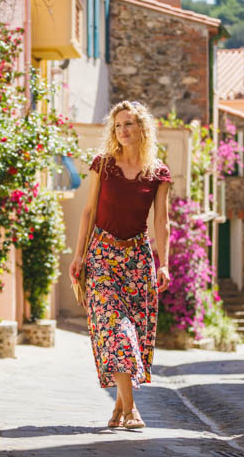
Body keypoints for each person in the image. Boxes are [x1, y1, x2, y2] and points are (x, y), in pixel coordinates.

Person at [68, 100, 171, 430]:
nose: (123, 130)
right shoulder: (104, 165)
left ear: (143, 128)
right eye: (118, 125)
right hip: (102, 256)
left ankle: (118, 408)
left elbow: (162, 221)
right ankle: (132, 411)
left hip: (138, 260)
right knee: (115, 328)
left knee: (133, 334)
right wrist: (79, 255)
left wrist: (164, 263)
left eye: (129, 124)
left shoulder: (157, 173)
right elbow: (88, 212)